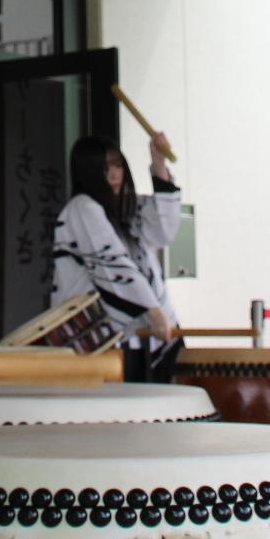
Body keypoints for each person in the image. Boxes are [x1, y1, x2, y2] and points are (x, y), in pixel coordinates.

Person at [52, 130, 184, 379]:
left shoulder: (126, 207)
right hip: (99, 342)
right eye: (104, 168)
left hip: (137, 336)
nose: (113, 174)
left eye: (117, 165)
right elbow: (111, 264)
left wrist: (159, 163)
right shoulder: (82, 207)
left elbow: (163, 230)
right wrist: (154, 312)